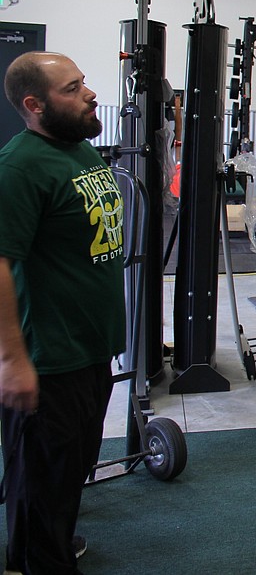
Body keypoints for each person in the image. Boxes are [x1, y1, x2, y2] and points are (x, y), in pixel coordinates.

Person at [0, 52, 125, 574]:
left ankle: (46, 543)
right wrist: (12, 361)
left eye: (84, 83)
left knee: (69, 468)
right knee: (41, 477)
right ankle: (35, 561)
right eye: (72, 89)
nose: (89, 94)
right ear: (35, 105)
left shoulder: (78, 150)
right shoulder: (20, 167)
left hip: (89, 346)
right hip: (48, 355)